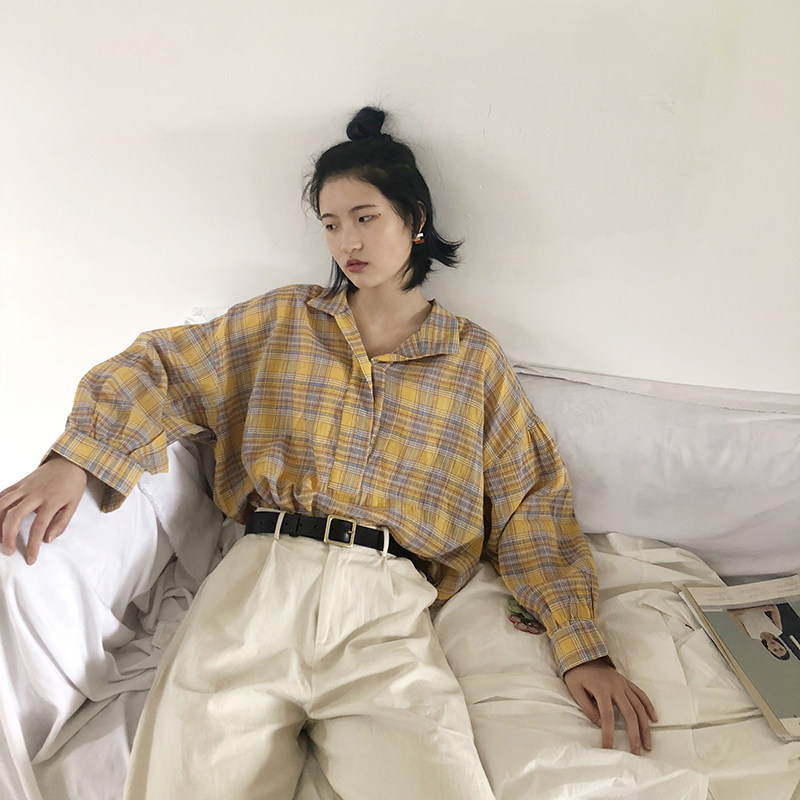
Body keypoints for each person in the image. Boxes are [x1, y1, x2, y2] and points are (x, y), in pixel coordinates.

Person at [0, 107, 656, 799]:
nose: (349, 241)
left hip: (388, 606)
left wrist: (580, 648)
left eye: (365, 217)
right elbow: (161, 369)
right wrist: (74, 460)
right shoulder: (284, 320)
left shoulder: (472, 360)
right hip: (258, 582)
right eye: (332, 224)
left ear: (415, 219)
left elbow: (531, 503)